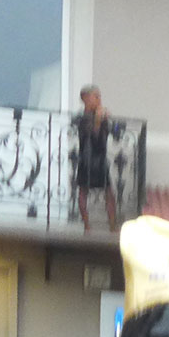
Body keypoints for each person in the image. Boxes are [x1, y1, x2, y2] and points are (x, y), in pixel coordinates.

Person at [73, 83, 122, 230]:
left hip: (100, 158)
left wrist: (110, 120)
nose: (99, 99)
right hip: (87, 159)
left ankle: (112, 224)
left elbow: (116, 134)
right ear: (85, 98)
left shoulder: (101, 115)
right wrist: (98, 121)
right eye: (96, 96)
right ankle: (86, 224)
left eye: (99, 96)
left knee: (109, 192)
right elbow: (91, 136)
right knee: (83, 191)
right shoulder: (81, 117)